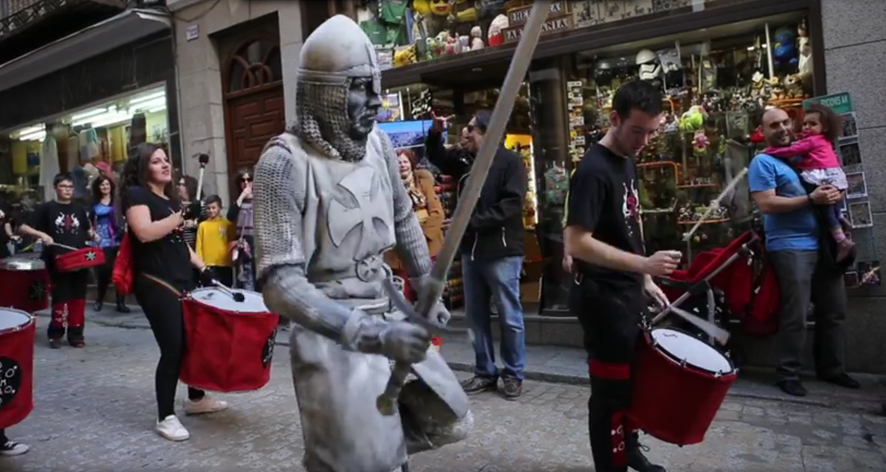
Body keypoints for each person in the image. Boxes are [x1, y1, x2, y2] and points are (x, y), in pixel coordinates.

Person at [252, 15, 471, 472]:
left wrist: (425, 283)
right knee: (354, 459)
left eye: (376, 86)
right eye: (358, 87)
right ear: (322, 91)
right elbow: (279, 283)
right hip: (333, 334)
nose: (376, 101)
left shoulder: (377, 146)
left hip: (388, 310)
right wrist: (365, 333)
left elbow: (402, 217)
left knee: (444, 418)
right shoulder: (282, 164)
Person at [564, 80, 681, 472]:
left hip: (626, 293)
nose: (645, 140)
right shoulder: (592, 171)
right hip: (602, 299)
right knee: (609, 394)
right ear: (614, 119)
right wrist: (643, 266)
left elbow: (629, 223)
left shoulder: (628, 159)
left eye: (651, 131)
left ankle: (627, 448)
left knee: (632, 384)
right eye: (637, 131)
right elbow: (577, 242)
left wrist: (644, 278)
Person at [120, 143, 229, 441]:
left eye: (166, 159)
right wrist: (181, 215)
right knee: (173, 347)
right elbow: (144, 232)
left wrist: (203, 267)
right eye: (156, 161)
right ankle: (165, 415)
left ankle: (195, 399)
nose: (165, 165)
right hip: (155, 282)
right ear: (144, 168)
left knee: (193, 341)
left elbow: (179, 243)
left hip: (182, 277)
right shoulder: (136, 196)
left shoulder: (168, 200)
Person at [749, 107, 859, 397]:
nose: (783, 128)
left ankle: (832, 368)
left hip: (824, 244)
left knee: (834, 310)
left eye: (787, 122)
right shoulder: (764, 161)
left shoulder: (803, 154)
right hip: (790, 246)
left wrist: (836, 195)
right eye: (775, 125)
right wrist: (811, 199)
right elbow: (767, 204)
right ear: (764, 132)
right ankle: (788, 373)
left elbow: (829, 184)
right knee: (795, 314)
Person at [426, 109, 528, 399]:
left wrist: (469, 221)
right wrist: (435, 132)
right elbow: (436, 157)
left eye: (471, 129)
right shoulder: (465, 161)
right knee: (476, 316)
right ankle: (484, 372)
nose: (465, 133)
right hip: (472, 250)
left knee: (509, 316)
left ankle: (513, 373)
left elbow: (511, 205)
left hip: (502, 251)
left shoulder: (510, 162)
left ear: (488, 132)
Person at [761, 104, 854, 261]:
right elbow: (766, 204)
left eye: (813, 124)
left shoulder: (812, 141)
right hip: (796, 244)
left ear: (824, 127)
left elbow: (791, 151)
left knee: (826, 208)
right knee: (831, 206)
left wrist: (769, 151)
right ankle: (840, 218)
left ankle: (842, 240)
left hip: (824, 177)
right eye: (804, 124)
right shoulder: (821, 140)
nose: (807, 127)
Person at [20, 173, 95, 349]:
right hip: (57, 260)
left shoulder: (79, 209)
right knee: (61, 298)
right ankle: (56, 333)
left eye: (70, 187)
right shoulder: (46, 208)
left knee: (78, 298)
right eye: (63, 186)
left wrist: (93, 235)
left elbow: (87, 229)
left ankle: (76, 335)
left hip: (78, 259)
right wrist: (42, 234)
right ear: (55, 188)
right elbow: (23, 226)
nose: (67, 190)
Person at [385, 148, 445, 301]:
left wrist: (419, 237)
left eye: (405, 162)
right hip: (398, 250)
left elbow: (437, 214)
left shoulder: (423, 184)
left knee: (427, 295)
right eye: (398, 163)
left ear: (411, 164)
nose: (402, 165)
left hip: (426, 246)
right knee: (404, 296)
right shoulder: (387, 187)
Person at [91, 175, 129, 312]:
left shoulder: (117, 202)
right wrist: (92, 234)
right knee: (104, 272)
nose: (105, 187)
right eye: (102, 185)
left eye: (107, 184)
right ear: (98, 187)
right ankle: (99, 300)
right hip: (102, 240)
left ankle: (121, 303)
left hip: (118, 239)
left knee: (120, 271)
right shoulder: (94, 203)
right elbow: (89, 221)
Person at [227, 168, 256, 291]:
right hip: (241, 244)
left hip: (256, 243)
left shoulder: (259, 200)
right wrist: (242, 195)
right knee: (243, 278)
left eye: (249, 179)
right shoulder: (238, 201)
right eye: (242, 180)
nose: (246, 183)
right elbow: (230, 216)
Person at [196, 195, 235, 287]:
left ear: (220, 207)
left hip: (225, 265)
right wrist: (201, 264)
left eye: (213, 208)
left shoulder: (227, 224)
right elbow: (199, 246)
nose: (211, 210)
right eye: (208, 208)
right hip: (208, 265)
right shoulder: (203, 226)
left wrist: (232, 261)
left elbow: (232, 243)